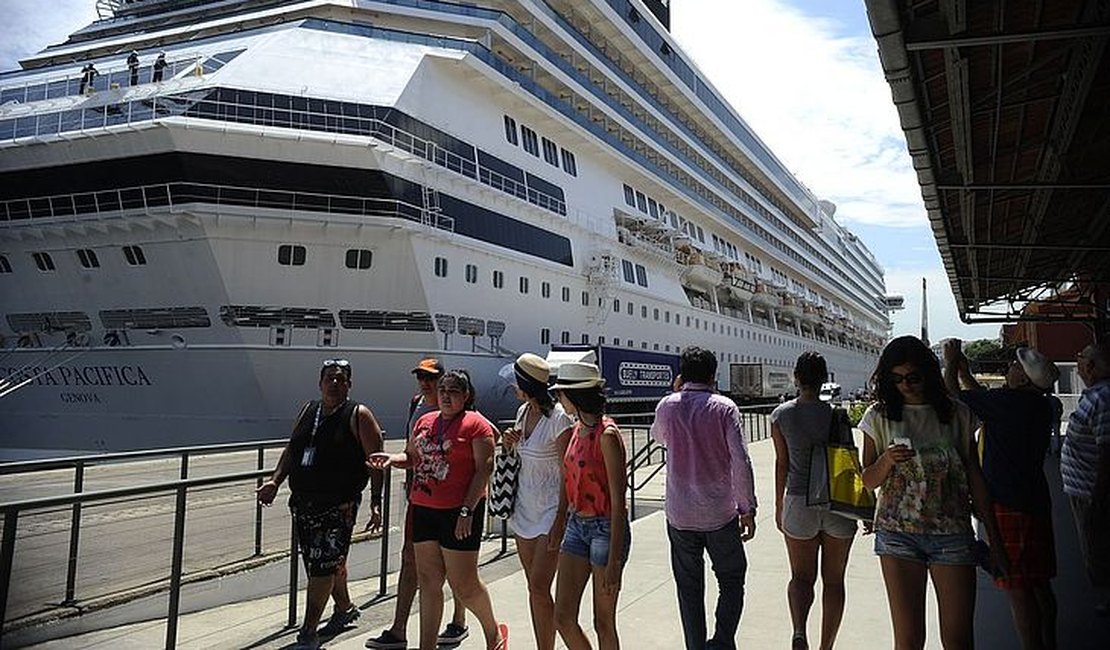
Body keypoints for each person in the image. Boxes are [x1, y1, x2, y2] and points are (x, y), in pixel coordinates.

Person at [859, 336, 1005, 650]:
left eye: (912, 377)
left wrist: (994, 537)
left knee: (958, 639)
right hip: (897, 535)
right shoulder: (878, 416)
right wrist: (887, 460)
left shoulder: (957, 413)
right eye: (896, 379)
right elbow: (868, 480)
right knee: (909, 640)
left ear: (928, 372)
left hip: (952, 533)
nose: (905, 385)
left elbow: (975, 476)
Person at [369, 369, 508, 650]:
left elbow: (484, 470)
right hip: (424, 509)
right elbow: (412, 456)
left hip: (458, 513)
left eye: (453, 390)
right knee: (428, 582)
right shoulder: (425, 420)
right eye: (442, 390)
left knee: (464, 585)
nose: (445, 395)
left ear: (466, 396)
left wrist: (467, 511)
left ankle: (494, 633)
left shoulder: (477, 425)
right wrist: (392, 458)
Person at [256, 359, 385, 650]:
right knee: (323, 563)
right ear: (320, 382)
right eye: (329, 378)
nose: (334, 383)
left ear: (349, 384)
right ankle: (345, 609)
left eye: (340, 379)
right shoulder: (308, 410)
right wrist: (275, 482)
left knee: (322, 568)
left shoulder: (359, 415)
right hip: (303, 504)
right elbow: (292, 448)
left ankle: (308, 632)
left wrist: (376, 503)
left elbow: (376, 463)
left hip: (338, 507)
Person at [944, 340, 1059, 649]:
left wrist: (951, 361)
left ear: (1023, 379)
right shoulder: (1040, 405)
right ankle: (1049, 643)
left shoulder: (1011, 403)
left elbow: (953, 398)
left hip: (1009, 503)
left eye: (1016, 366)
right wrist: (968, 375)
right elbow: (986, 401)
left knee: (1016, 586)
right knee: (1039, 583)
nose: (1010, 367)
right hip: (1034, 500)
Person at [652, 347, 757, 650]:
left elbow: (658, 437)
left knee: (689, 589)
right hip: (720, 514)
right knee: (732, 580)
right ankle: (723, 642)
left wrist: (675, 394)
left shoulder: (667, 406)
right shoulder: (725, 408)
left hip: (680, 515)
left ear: (682, 375)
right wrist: (746, 507)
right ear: (714, 375)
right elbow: (740, 460)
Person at [365, 358, 469, 649]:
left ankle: (459, 620)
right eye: (421, 377)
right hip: (419, 496)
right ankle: (399, 629)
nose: (426, 383)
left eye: (431, 378)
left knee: (455, 564)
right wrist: (394, 460)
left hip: (451, 501)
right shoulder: (417, 405)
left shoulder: (454, 406)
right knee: (409, 558)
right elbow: (411, 450)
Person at [771, 351, 857, 650]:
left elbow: (781, 463)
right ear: (824, 379)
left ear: (796, 377)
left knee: (800, 577)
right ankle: (826, 647)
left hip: (798, 499)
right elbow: (849, 462)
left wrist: (779, 506)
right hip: (837, 505)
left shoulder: (781, 415)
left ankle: (798, 631)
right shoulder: (838, 415)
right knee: (834, 581)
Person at [551, 361, 629, 650]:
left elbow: (619, 502)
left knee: (603, 622)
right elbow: (566, 475)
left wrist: (614, 561)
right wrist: (560, 519)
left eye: (561, 394)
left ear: (576, 396)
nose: (558, 399)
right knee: (563, 616)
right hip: (576, 526)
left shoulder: (606, 435)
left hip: (605, 528)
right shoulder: (574, 431)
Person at [501, 353, 575, 650]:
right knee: (534, 589)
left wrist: (560, 520)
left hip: (549, 512)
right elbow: (520, 455)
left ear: (526, 384)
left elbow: (567, 472)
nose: (512, 387)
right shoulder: (522, 412)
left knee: (539, 586)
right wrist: (509, 442)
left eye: (516, 382)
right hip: (523, 508)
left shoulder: (559, 419)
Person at [1061, 342, 1110, 615]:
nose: (1077, 362)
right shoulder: (1096, 395)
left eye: (1079, 357)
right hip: (1086, 491)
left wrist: (1099, 497)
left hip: (1092, 494)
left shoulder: (1103, 399)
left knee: (1100, 549)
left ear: (1090, 366)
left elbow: (1107, 450)